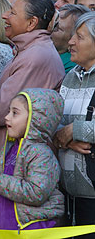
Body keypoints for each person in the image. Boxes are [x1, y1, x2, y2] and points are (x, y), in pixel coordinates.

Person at [0, 0, 65, 160]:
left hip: (17, 165)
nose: (4, 15)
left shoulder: (35, 56)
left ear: (31, 23)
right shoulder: (27, 50)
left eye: (12, 12)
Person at [0, 88, 64, 230]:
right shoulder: (8, 149)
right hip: (8, 229)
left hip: (33, 229)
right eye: (9, 111)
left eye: (14, 113)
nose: (7, 117)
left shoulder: (41, 154)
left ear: (34, 120)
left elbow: (36, 193)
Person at [56, 12, 95, 235]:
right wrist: (65, 138)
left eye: (79, 37)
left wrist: (75, 130)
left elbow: (69, 127)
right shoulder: (71, 76)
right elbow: (55, 122)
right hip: (68, 192)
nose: (71, 42)